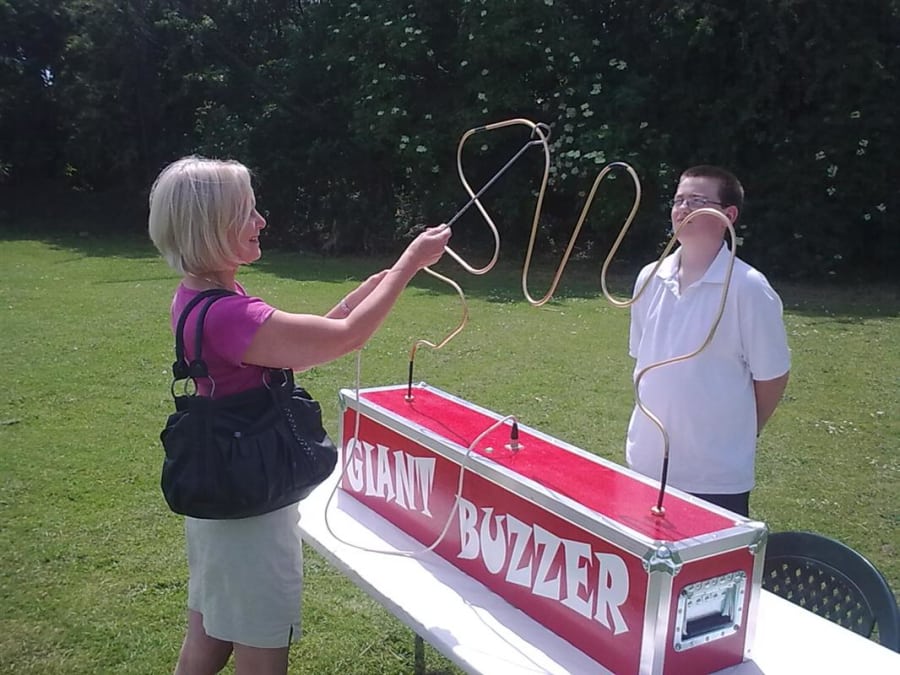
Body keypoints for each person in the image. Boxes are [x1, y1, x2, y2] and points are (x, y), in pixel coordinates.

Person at [147, 155, 451, 675]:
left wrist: (356, 299)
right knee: (261, 652)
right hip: (249, 512)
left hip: (221, 497)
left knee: (209, 635)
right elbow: (346, 340)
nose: (261, 221)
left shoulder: (199, 297)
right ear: (210, 226)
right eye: (247, 212)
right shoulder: (229, 312)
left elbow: (296, 351)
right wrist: (409, 266)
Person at [625, 165, 790, 517]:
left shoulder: (748, 287)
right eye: (678, 200)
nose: (683, 209)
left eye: (697, 201)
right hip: (646, 463)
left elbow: (772, 376)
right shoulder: (649, 278)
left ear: (727, 215)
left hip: (713, 477)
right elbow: (644, 359)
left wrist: (741, 431)